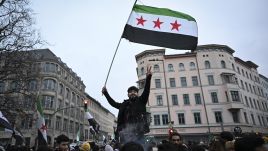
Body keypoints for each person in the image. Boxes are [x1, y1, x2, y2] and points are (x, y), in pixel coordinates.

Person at [102, 66, 152, 144]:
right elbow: (113, 103)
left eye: (135, 91)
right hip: (125, 134)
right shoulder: (124, 105)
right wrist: (106, 93)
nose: (132, 93)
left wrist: (148, 78)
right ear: (128, 94)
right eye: (130, 92)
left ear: (137, 94)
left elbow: (146, 90)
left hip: (139, 133)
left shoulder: (141, 101)